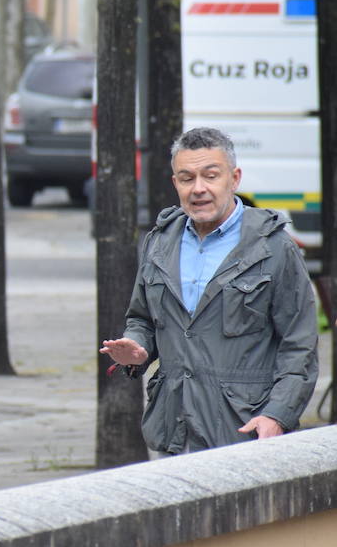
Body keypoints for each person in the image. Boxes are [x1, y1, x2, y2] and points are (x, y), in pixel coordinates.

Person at [100, 127, 318, 455]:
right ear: (175, 183)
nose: (199, 188)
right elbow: (142, 318)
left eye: (210, 176)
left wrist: (277, 415)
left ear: (234, 178)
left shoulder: (272, 247)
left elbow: (299, 345)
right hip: (171, 430)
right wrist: (139, 348)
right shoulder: (159, 242)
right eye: (187, 178)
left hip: (245, 430)